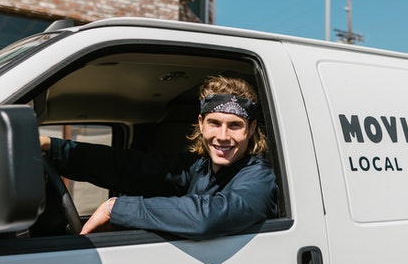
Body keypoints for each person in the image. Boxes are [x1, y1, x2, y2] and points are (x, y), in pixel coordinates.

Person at [39, 76, 278, 240]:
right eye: (214, 123)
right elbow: (129, 168)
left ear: (252, 128)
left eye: (235, 126)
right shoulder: (198, 167)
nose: (222, 136)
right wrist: (55, 149)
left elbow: (208, 216)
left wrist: (117, 208)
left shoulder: (259, 178)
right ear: (201, 124)